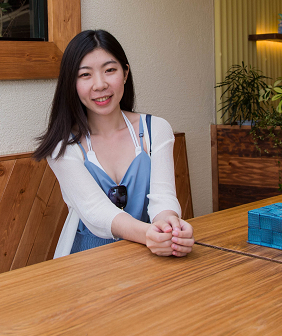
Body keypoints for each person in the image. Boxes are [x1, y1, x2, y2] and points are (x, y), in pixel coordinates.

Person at [33, 29, 195, 258]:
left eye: (110, 70)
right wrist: (149, 234)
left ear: (125, 73)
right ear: (72, 83)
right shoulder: (62, 148)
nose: (100, 85)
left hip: (151, 252)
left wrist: (171, 228)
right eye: (85, 75)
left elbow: (163, 199)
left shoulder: (156, 129)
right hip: (89, 259)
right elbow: (97, 213)